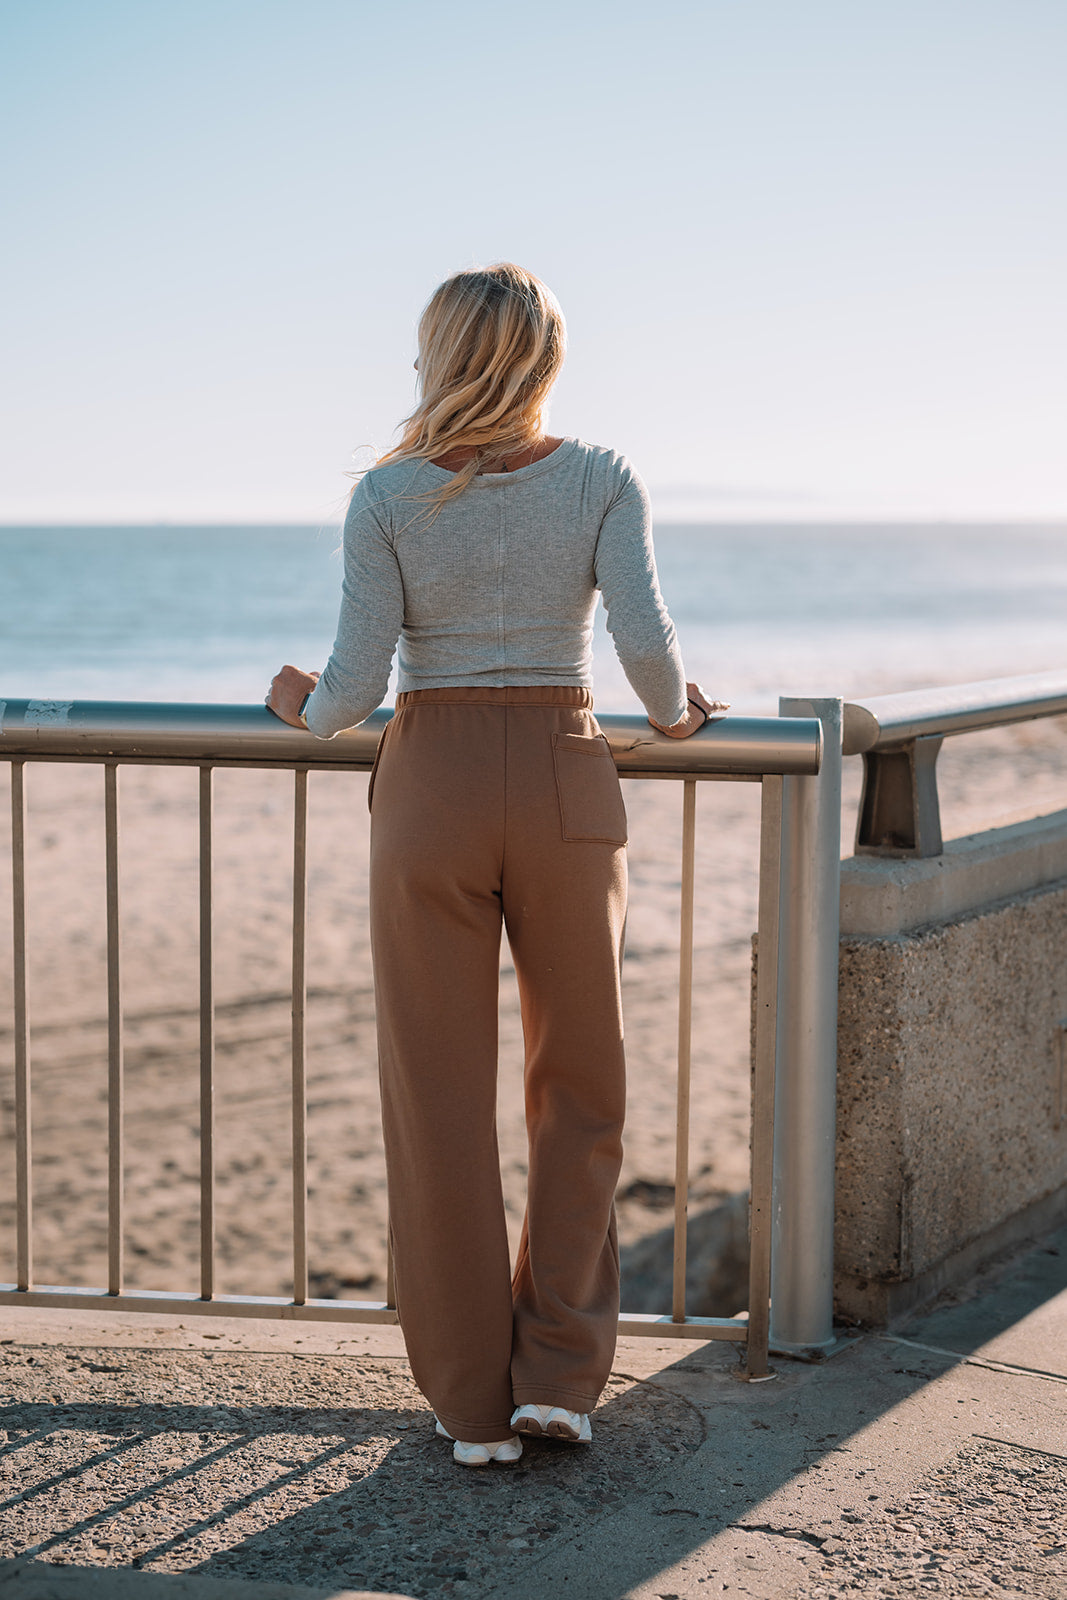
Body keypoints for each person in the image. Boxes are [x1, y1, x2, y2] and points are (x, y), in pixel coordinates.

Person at [268, 262, 722, 1466]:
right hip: (567, 778)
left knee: (439, 1096)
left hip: (431, 795)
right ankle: (560, 1377)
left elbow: (354, 689)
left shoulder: (384, 495)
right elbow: (648, 658)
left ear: (437, 354)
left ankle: (471, 1405)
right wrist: (678, 718)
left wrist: (294, 704)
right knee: (580, 1084)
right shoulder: (601, 478)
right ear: (545, 358)